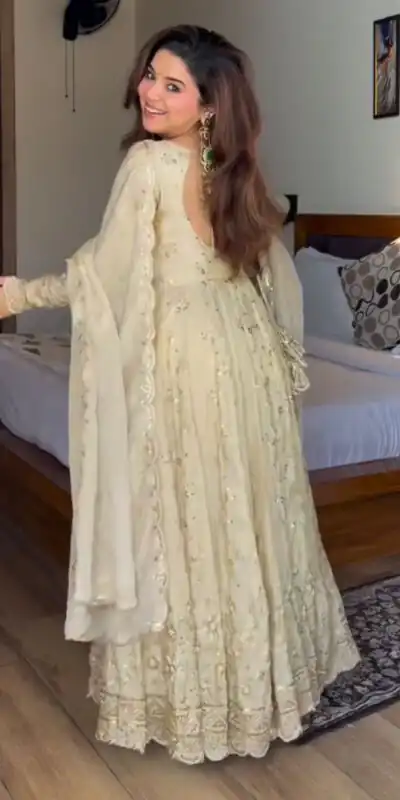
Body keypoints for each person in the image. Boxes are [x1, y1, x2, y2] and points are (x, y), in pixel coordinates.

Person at [0, 25, 359, 764]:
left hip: (188, 369)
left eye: (172, 85)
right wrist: (283, 364)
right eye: (150, 76)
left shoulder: (150, 164)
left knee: (182, 524)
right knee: (246, 519)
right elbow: (270, 281)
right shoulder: (233, 172)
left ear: (208, 105)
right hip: (248, 363)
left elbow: (100, 276)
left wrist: (16, 295)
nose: (150, 93)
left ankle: (202, 704)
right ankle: (261, 692)